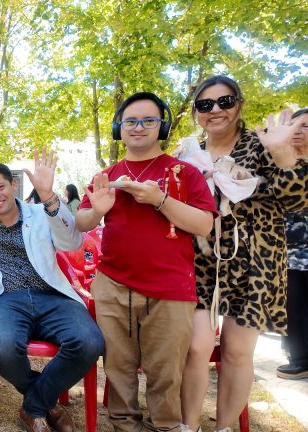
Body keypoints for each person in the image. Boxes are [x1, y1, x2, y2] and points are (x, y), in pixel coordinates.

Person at [76, 92, 216, 432]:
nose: (138, 127)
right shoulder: (106, 176)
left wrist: (160, 199)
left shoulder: (184, 172)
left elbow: (204, 225)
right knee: (118, 366)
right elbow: (82, 222)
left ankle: (166, 426)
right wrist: (99, 209)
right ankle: (124, 426)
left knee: (165, 370)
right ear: (118, 128)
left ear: (161, 126)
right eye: (130, 121)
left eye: (148, 120)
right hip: (112, 283)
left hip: (171, 287)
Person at [180, 76, 308, 432]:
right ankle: (187, 426)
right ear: (196, 113)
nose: (216, 110)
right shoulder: (187, 153)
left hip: (254, 263)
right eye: (205, 105)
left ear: (239, 104)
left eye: (225, 101)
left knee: (237, 353)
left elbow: (298, 200)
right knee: (194, 348)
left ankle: (224, 428)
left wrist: (283, 155)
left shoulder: (266, 143)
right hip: (199, 263)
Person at [0, 154, 104, 432]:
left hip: (51, 295)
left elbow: (72, 241)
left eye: (0, 187)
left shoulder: (41, 212)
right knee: (2, 348)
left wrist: (48, 196)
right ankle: (47, 402)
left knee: (89, 342)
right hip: (5, 298)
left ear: (13, 186)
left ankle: (34, 406)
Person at [277, 107, 308, 380]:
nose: (297, 131)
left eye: (305, 126)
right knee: (294, 305)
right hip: (287, 252)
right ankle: (299, 358)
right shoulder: (279, 163)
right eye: (294, 125)